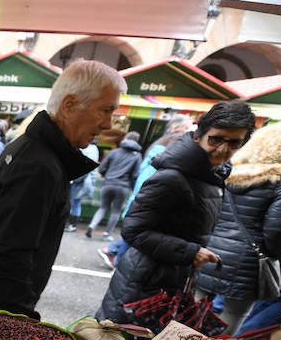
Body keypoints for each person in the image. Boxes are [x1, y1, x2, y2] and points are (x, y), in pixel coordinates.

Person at [0, 60, 125, 319]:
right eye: (105, 110)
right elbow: (8, 255)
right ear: (69, 105)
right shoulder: (39, 165)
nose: (108, 124)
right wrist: (22, 319)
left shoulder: (35, 151)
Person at [96, 100, 257, 323]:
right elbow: (134, 231)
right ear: (197, 137)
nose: (222, 149)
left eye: (233, 143)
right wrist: (191, 252)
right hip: (144, 283)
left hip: (175, 281)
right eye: (216, 139)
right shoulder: (171, 178)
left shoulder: (212, 177)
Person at [193, 121, 281, 334]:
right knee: (233, 314)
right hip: (248, 262)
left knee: (196, 307)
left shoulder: (231, 171)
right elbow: (277, 230)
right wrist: (276, 255)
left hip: (211, 250)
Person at [98, 115, 192, 267]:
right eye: (187, 128)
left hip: (134, 191)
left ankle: (111, 250)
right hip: (146, 195)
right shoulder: (170, 147)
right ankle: (117, 261)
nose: (188, 133)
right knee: (137, 229)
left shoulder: (155, 146)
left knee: (129, 225)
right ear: (175, 128)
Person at [85, 130, 142, 241]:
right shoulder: (137, 156)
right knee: (116, 211)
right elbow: (135, 175)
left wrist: (108, 176)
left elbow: (101, 169)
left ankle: (92, 225)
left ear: (126, 139)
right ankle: (106, 234)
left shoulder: (114, 152)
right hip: (123, 187)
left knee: (103, 207)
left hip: (107, 184)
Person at [67, 138, 99, 232]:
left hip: (80, 181)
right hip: (80, 181)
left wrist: (73, 178)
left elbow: (85, 167)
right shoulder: (93, 149)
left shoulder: (90, 149)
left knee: (74, 202)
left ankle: (72, 225)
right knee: (75, 202)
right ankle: (72, 224)